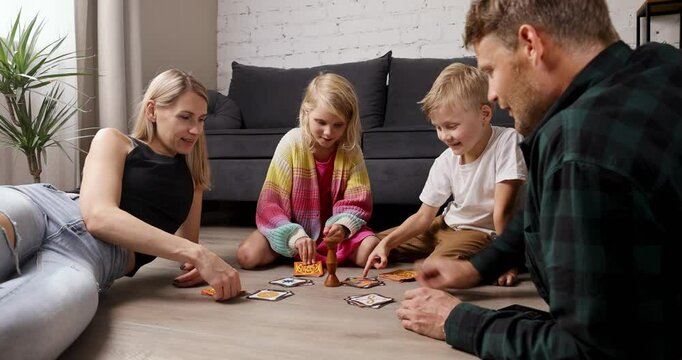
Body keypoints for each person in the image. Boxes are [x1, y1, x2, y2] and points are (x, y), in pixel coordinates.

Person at [396, 0, 682, 359]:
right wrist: (477, 267)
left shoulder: (579, 149)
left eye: (491, 70)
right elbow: (548, 214)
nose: (493, 95)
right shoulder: (660, 62)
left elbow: (588, 351)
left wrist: (457, 320)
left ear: (531, 43)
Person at [0, 68, 242, 359]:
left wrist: (196, 260)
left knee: (24, 330)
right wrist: (198, 254)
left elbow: (188, 246)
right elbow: (99, 217)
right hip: (46, 208)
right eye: (185, 117)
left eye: (201, 120)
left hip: (95, 257)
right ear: (152, 110)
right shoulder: (115, 140)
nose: (196, 130)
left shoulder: (192, 178)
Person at [362, 63, 526, 286]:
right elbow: (423, 217)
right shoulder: (446, 159)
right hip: (445, 224)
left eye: (451, 126)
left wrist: (507, 261)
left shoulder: (508, 141)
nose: (445, 136)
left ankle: (459, 258)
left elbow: (502, 211)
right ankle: (429, 250)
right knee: (367, 246)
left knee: (435, 271)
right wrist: (387, 243)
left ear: (484, 114)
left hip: (481, 233)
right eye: (438, 128)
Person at [237, 73, 380, 269]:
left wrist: (343, 227)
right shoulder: (291, 142)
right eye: (321, 122)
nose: (328, 132)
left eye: (338, 125)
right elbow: (270, 204)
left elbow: (358, 200)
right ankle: (292, 249)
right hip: (291, 231)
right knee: (247, 256)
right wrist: (293, 236)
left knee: (371, 250)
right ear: (306, 113)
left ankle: (308, 253)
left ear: (348, 122)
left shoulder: (351, 150)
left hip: (333, 235)